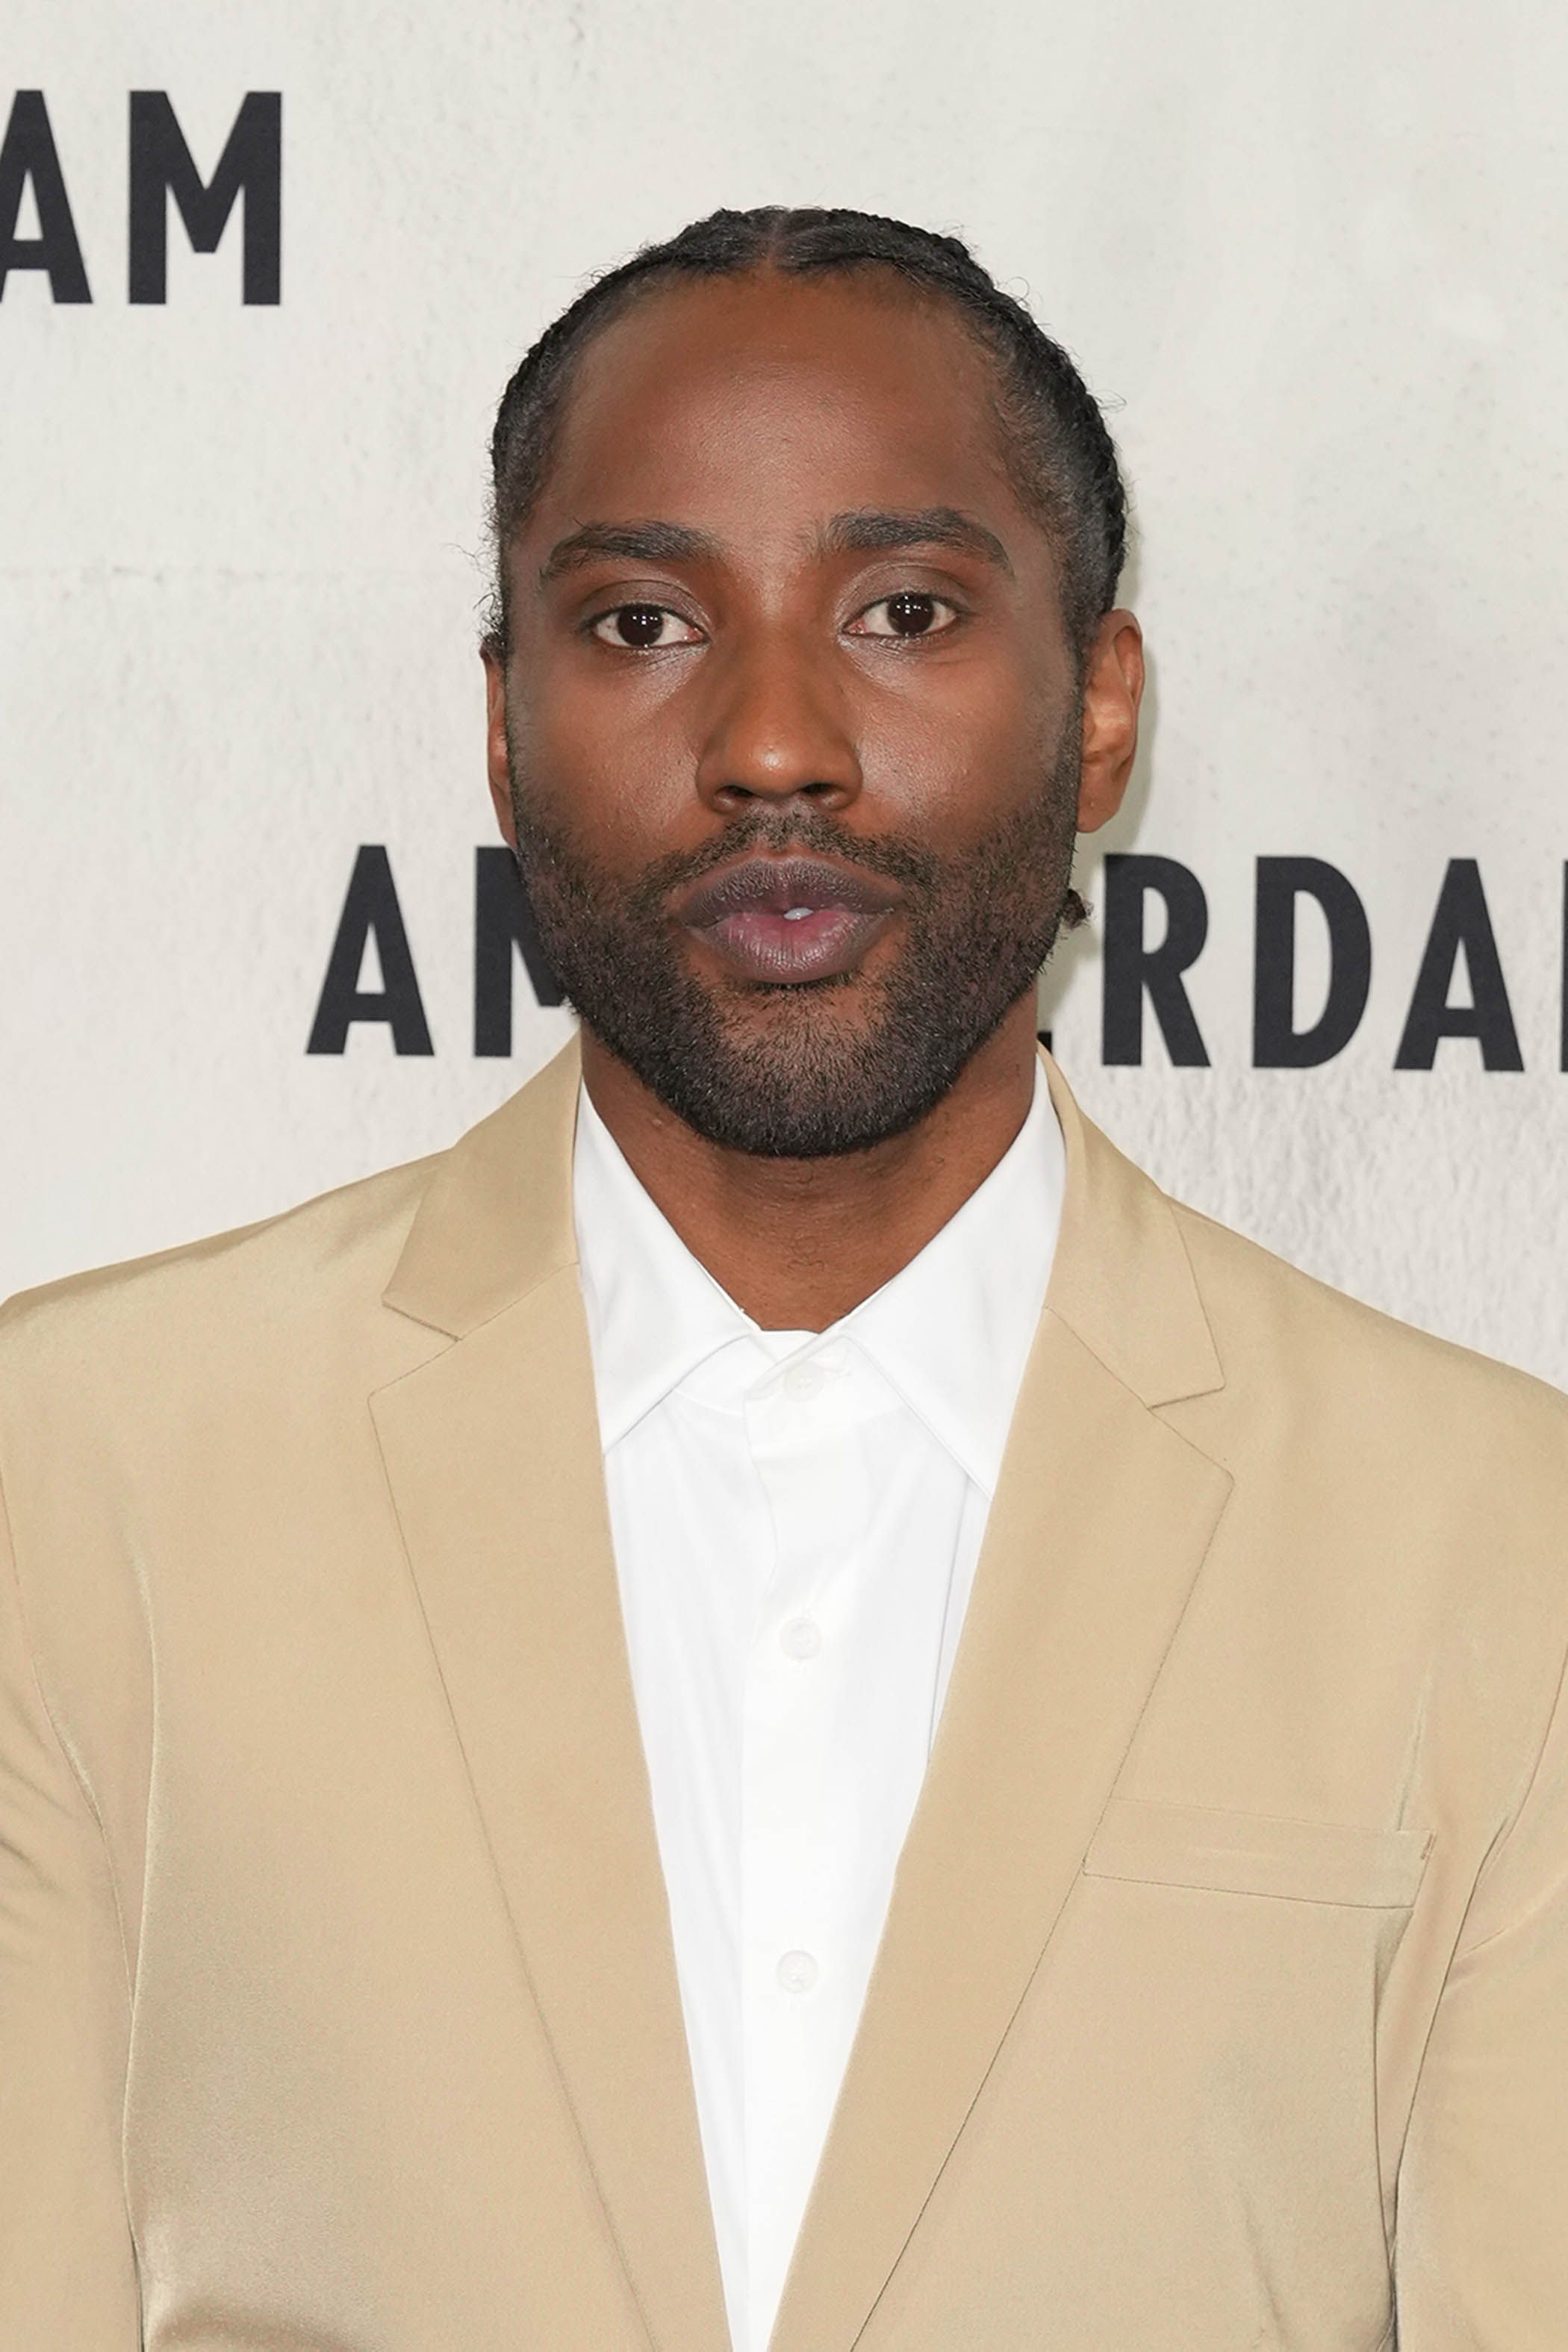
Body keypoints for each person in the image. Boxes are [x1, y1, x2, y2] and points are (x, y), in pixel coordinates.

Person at [1, 205, 1565, 2352]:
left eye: (902, 610)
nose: (768, 742)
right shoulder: (80, 1478)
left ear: (1099, 706)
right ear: (500, 726)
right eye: (641, 622)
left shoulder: (1485, 1540)